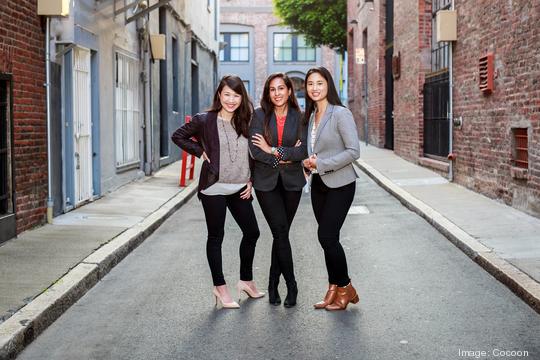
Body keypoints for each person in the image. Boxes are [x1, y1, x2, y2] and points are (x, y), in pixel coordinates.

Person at [171, 75, 264, 309]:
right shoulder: (205, 120)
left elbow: (251, 153)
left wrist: (250, 180)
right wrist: (199, 150)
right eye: (227, 95)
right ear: (219, 96)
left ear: (242, 97)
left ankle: (246, 281)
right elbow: (178, 136)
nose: (231, 100)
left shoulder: (246, 120)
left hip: (240, 187)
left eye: (236, 95)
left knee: (252, 232)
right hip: (214, 187)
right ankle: (220, 287)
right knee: (216, 237)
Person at [302, 66, 360, 311]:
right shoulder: (311, 116)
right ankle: (333, 289)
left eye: (320, 83)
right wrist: (309, 164)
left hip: (341, 184)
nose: (314, 88)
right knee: (329, 240)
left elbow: (353, 152)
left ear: (328, 86)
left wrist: (321, 163)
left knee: (326, 236)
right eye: (310, 84)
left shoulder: (340, 113)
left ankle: (346, 287)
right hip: (319, 185)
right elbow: (315, 151)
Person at [250, 73, 307, 307]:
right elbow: (255, 151)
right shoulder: (258, 115)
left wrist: (273, 150)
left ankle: (273, 282)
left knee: (279, 234)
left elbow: (302, 152)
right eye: (272, 89)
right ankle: (292, 285)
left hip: (292, 183)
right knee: (280, 232)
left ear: (289, 91)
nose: (277, 93)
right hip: (265, 184)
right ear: (268, 93)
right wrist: (283, 157)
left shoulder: (301, 118)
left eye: (281, 88)